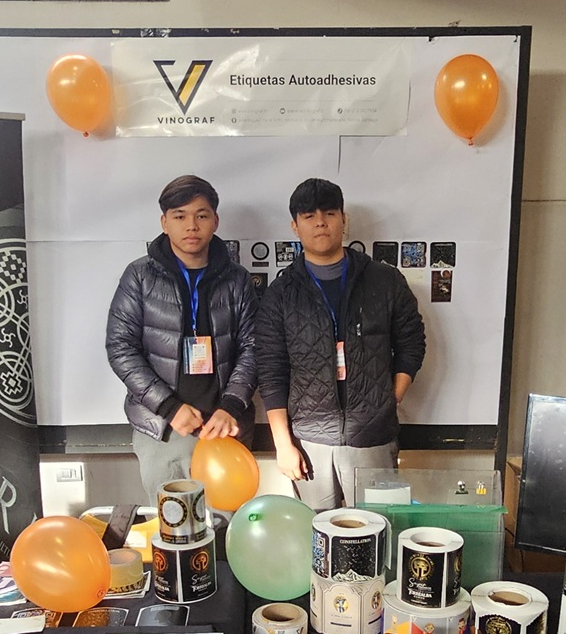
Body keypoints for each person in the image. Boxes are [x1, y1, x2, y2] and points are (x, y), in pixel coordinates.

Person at [257, 177, 426, 512]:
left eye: (330, 213)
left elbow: (412, 342)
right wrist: (283, 444)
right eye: (309, 216)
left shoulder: (384, 280)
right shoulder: (281, 293)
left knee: (378, 527)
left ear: (343, 220)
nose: (320, 222)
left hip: (373, 437)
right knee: (318, 531)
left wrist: (390, 398)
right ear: (295, 226)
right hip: (310, 441)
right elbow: (271, 369)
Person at [105, 175, 257, 501]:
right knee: (173, 524)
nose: (191, 226)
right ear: (164, 222)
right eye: (179, 216)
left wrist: (231, 405)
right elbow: (120, 348)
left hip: (224, 428)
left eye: (201, 215)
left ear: (215, 220)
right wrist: (169, 407)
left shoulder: (238, 279)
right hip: (164, 430)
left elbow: (254, 347)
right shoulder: (139, 276)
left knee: (225, 523)